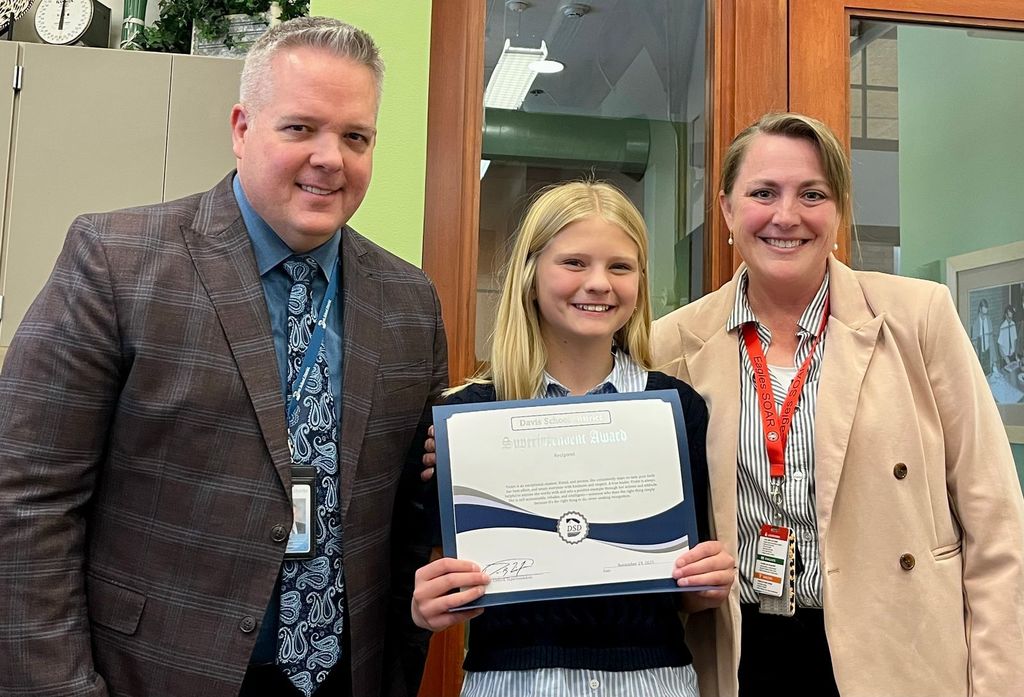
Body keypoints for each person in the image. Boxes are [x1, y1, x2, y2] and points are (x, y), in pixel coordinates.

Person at [0, 17, 446, 697]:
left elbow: (411, 517)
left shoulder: (410, 301)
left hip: (341, 674)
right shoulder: (117, 262)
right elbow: (27, 499)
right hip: (154, 674)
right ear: (242, 129)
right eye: (300, 128)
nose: (330, 158)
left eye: (355, 137)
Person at [651, 112, 1024, 697]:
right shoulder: (670, 343)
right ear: (726, 209)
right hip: (738, 651)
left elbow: (995, 520)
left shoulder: (918, 318)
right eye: (763, 193)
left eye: (812, 194)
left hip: (897, 650)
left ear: (840, 210)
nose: (786, 216)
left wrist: (1000, 686)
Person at [412, 181, 735, 696]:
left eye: (620, 267)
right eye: (574, 263)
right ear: (530, 276)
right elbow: (440, 578)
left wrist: (708, 582)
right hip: (513, 684)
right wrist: (431, 603)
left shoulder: (676, 409)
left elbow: (685, 592)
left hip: (653, 682)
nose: (599, 283)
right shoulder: (467, 419)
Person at [972, 297, 993, 375]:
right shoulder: (975, 324)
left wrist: (992, 359)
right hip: (980, 354)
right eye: (983, 314)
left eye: (986, 314)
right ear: (980, 310)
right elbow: (974, 344)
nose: (985, 317)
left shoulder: (989, 321)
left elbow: (991, 341)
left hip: (987, 352)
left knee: (989, 375)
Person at [997, 304, 1018, 371]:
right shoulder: (1002, 327)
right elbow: (999, 346)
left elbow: (1015, 341)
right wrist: (1005, 357)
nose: (1010, 320)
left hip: (1012, 356)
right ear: (1006, 315)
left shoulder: (1013, 324)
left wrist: (1016, 354)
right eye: (1009, 318)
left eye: (1011, 317)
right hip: (1005, 358)